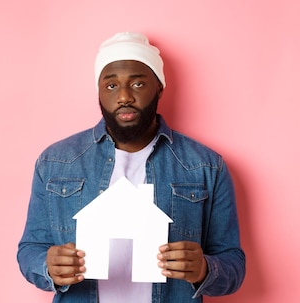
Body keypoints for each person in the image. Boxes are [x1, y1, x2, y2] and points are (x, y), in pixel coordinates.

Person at [17, 32, 245, 302]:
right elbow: (29, 250)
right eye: (111, 85)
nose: (124, 96)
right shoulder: (55, 162)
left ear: (159, 87)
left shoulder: (206, 166)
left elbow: (233, 265)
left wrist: (205, 269)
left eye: (137, 83)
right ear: (99, 91)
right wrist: (47, 266)